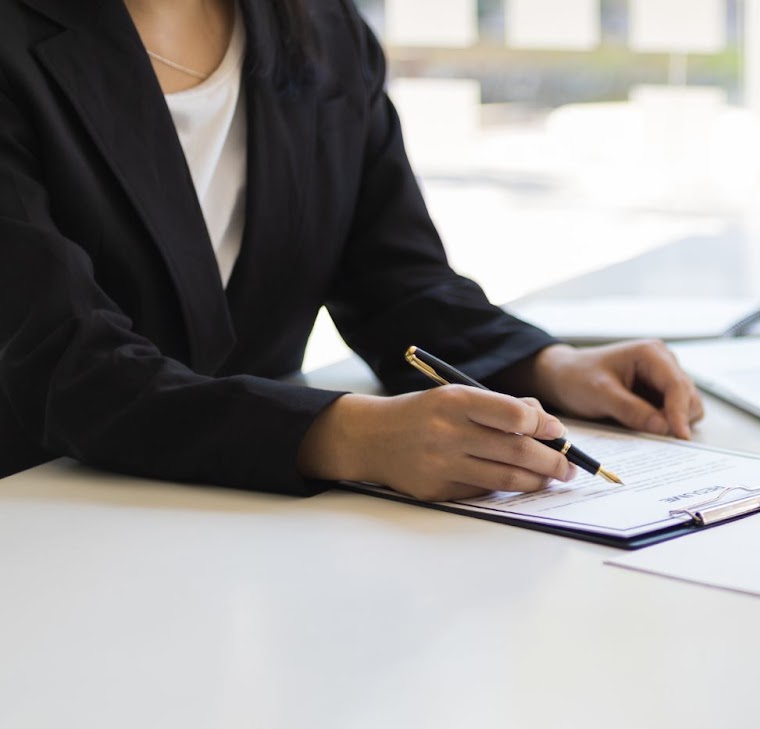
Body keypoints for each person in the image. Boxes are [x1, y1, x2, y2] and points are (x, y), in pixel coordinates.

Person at [0, 0, 704, 501]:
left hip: (239, 533)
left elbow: (396, 281)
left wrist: (553, 366)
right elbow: (62, 363)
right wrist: (348, 436)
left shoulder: (321, 30)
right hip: (47, 524)